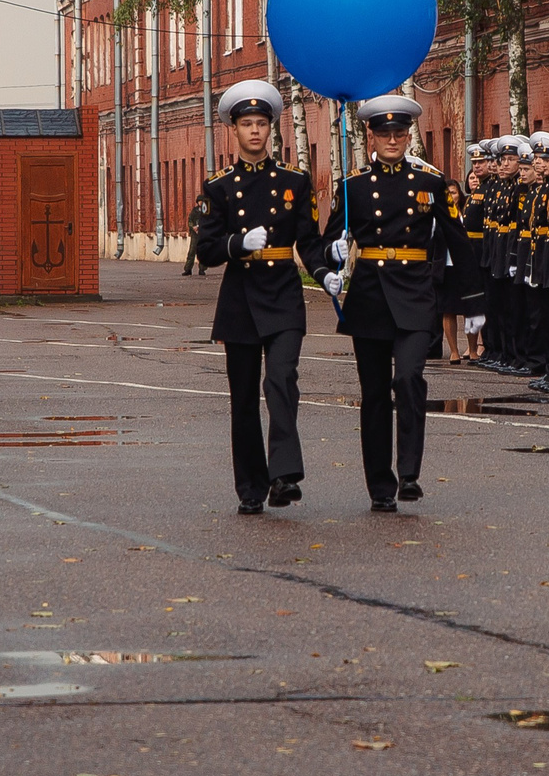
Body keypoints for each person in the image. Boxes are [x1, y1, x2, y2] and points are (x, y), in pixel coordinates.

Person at [314, 93, 482, 512]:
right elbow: (326, 243)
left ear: (408, 136)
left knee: (408, 381)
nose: (393, 139)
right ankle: (380, 486)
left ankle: (408, 473)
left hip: (414, 294)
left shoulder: (430, 184)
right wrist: (329, 262)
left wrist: (476, 300)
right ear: (370, 135)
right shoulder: (352, 187)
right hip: (370, 296)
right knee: (373, 395)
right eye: (385, 132)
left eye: (400, 132)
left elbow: (458, 242)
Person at [191, 81, 318, 513]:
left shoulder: (294, 181)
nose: (255, 132)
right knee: (243, 398)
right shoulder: (219, 187)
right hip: (241, 298)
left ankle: (283, 476)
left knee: (281, 380)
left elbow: (310, 241)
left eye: (262, 124)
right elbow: (207, 251)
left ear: (271, 129)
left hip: (282, 294)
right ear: (234, 130)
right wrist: (238, 243)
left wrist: (327, 268)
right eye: (247, 124)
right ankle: (250, 487)